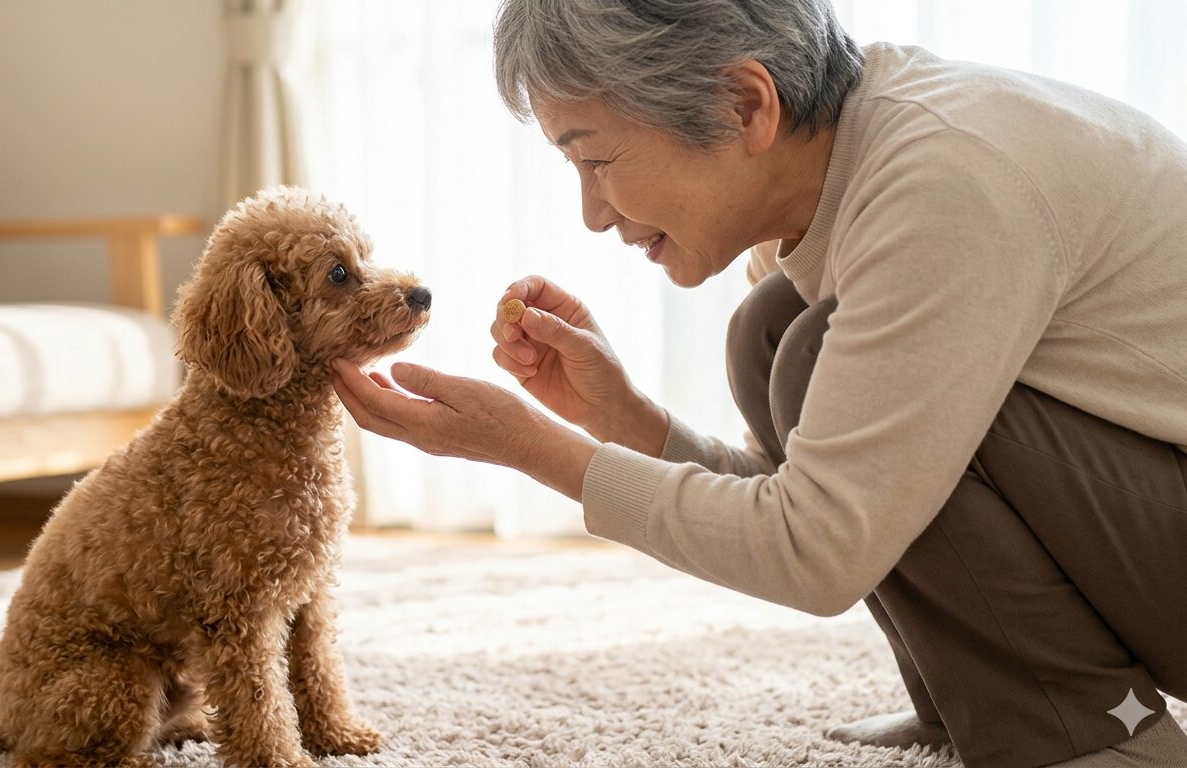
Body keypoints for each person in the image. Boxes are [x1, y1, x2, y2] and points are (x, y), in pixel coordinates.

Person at [327, 1, 1187, 765]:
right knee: (770, 333)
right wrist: (625, 418)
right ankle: (975, 700)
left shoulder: (941, 185)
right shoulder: (836, 178)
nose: (592, 212)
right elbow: (813, 495)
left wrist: (529, 448)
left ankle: (1103, 737)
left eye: (597, 159)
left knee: (807, 349)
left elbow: (815, 550)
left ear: (744, 104)